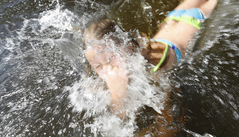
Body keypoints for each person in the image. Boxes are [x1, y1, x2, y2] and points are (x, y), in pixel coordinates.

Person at [83, 0, 218, 135]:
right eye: (98, 66)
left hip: (194, 21)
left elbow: (170, 122)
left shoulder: (155, 73)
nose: (108, 69)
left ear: (129, 45)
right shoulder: (125, 59)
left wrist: (118, 96)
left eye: (111, 58)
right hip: (171, 20)